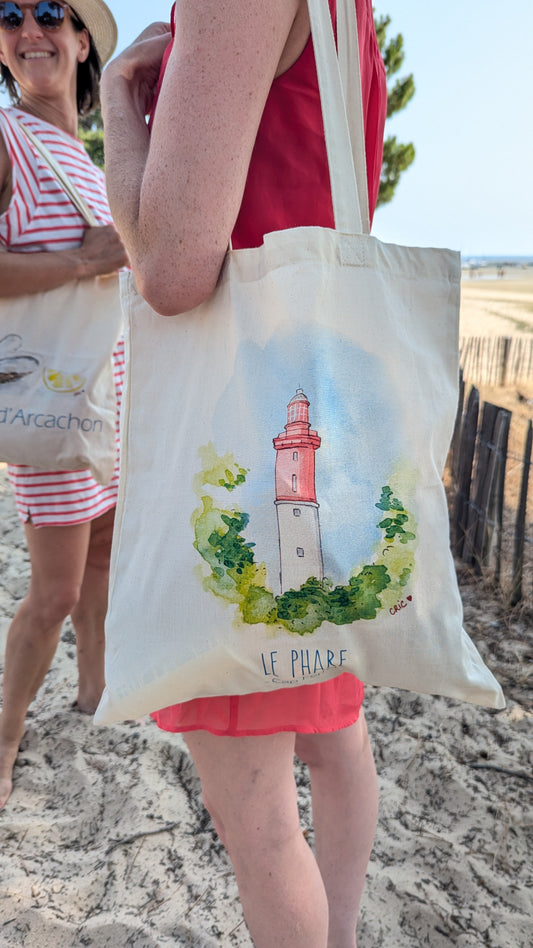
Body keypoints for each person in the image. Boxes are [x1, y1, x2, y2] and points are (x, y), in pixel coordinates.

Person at [101, 1, 386, 945]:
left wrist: (118, 103)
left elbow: (170, 269)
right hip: (319, 414)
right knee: (333, 736)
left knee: (258, 820)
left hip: (236, 434)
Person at [0, 0, 128, 809]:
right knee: (53, 593)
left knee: (103, 556)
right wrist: (84, 264)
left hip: (103, 400)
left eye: (48, 11)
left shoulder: (87, 157)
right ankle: (5, 739)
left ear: (82, 40)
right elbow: (89, 263)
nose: (28, 29)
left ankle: (94, 695)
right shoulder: (7, 136)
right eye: (8, 15)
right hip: (50, 400)